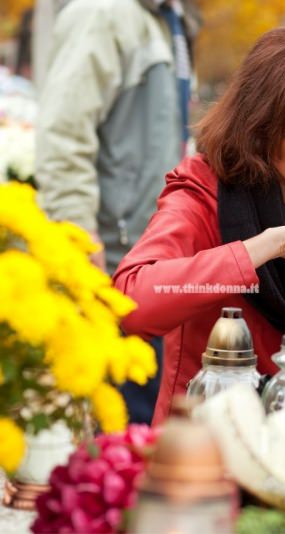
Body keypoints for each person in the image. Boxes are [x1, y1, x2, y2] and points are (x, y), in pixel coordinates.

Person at [113, 22, 285, 425]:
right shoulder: (206, 191)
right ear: (262, 122)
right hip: (204, 450)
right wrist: (270, 245)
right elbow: (131, 303)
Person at [35, 0, 200, 423]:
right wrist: (78, 232)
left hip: (152, 260)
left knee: (142, 421)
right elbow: (64, 132)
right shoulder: (103, 13)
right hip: (109, 261)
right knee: (117, 426)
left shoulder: (170, 20)